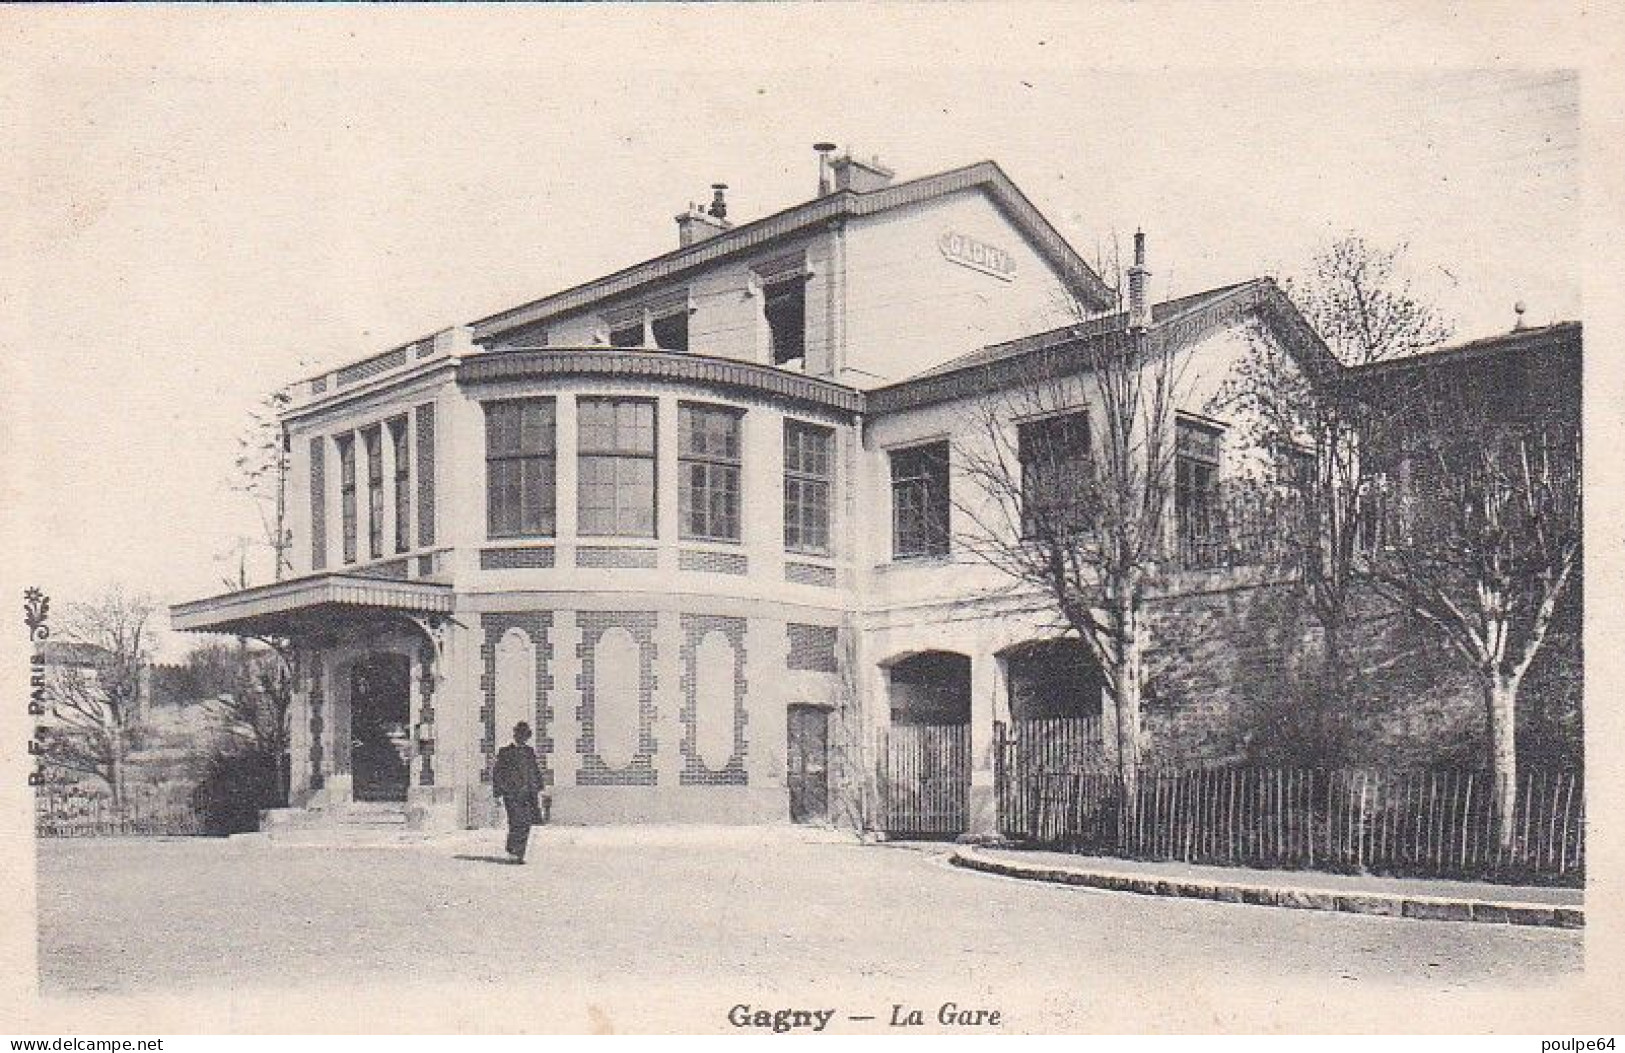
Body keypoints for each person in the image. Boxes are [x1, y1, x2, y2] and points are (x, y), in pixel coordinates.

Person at [491, 721, 544, 864]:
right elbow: (497, 773)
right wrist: (498, 794)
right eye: (520, 734)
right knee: (516, 822)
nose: (522, 738)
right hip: (512, 794)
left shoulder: (529, 752)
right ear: (515, 735)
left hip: (528, 794)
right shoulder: (505, 752)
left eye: (525, 735)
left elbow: (534, 771)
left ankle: (519, 853)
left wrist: (539, 789)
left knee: (526, 823)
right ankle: (512, 851)